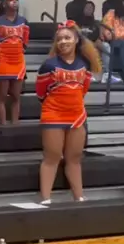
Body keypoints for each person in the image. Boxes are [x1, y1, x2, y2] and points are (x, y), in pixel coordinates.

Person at [36, 20, 102, 204]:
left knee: (74, 158)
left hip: (77, 116)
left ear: (76, 40)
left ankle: (78, 196)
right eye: (59, 39)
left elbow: (83, 90)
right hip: (53, 115)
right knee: (52, 157)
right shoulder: (49, 65)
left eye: (67, 38)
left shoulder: (84, 64)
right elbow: (40, 93)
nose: (63, 42)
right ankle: (45, 198)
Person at [0, 0, 30, 124]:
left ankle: (15, 124)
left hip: (18, 61)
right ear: (4, 4)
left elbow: (25, 42)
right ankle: (3, 124)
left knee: (16, 96)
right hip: (3, 60)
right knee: (2, 96)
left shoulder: (23, 21)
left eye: (16, 0)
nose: (14, 2)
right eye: (11, 0)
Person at [76, 1, 121, 83]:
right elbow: (76, 36)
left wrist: (97, 41)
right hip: (81, 44)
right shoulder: (77, 22)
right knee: (91, 47)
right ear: (83, 9)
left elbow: (97, 36)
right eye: (87, 8)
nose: (89, 10)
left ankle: (106, 74)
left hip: (95, 43)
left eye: (91, 8)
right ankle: (92, 74)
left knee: (106, 45)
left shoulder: (95, 23)